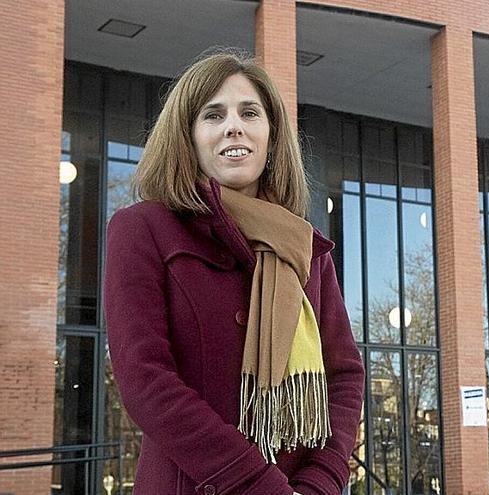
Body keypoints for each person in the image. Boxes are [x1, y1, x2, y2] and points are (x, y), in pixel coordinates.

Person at [103, 51, 364, 495]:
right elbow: (145, 379)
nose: (233, 126)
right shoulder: (143, 228)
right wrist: (261, 487)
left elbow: (345, 375)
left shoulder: (306, 247)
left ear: (271, 135)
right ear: (188, 136)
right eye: (213, 114)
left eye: (250, 113)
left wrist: (320, 483)